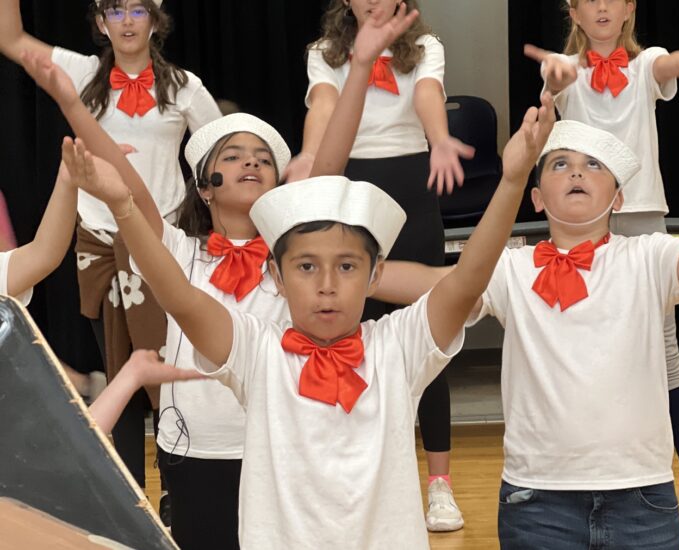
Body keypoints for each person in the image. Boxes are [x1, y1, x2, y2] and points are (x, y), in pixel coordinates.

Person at [63, 10, 555, 549]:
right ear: (204, 184)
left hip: (273, 448)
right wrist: (82, 129)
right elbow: (166, 271)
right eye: (233, 157)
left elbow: (459, 281)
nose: (324, 282)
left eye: (345, 267)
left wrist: (508, 181)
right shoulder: (236, 318)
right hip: (200, 449)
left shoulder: (332, 286)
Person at [0, 0, 222, 500]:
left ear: (155, 19)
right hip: (98, 247)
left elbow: (218, 150)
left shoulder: (185, 86)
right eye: (115, 10)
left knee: (168, 376)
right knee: (120, 370)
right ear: (101, 22)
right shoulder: (81, 72)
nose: (126, 20)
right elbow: (12, 40)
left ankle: (176, 491)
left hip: (161, 245)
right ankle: (128, 497)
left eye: (137, 9)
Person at [286, 0, 475, 529]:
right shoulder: (324, 53)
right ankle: (353, 474)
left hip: (413, 187)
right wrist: (309, 155)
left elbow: (428, 94)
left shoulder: (424, 47)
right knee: (351, 333)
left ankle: (439, 483)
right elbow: (323, 105)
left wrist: (439, 140)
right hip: (349, 185)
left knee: (427, 331)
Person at [524, 0, 679, 522]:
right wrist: (552, 80)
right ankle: (587, 469)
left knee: (665, 352)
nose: (602, 6)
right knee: (584, 336)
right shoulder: (566, 66)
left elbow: (667, 67)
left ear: (629, 9)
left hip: (642, 217)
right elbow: (550, 93)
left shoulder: (646, 65)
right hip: (585, 223)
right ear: (573, 12)